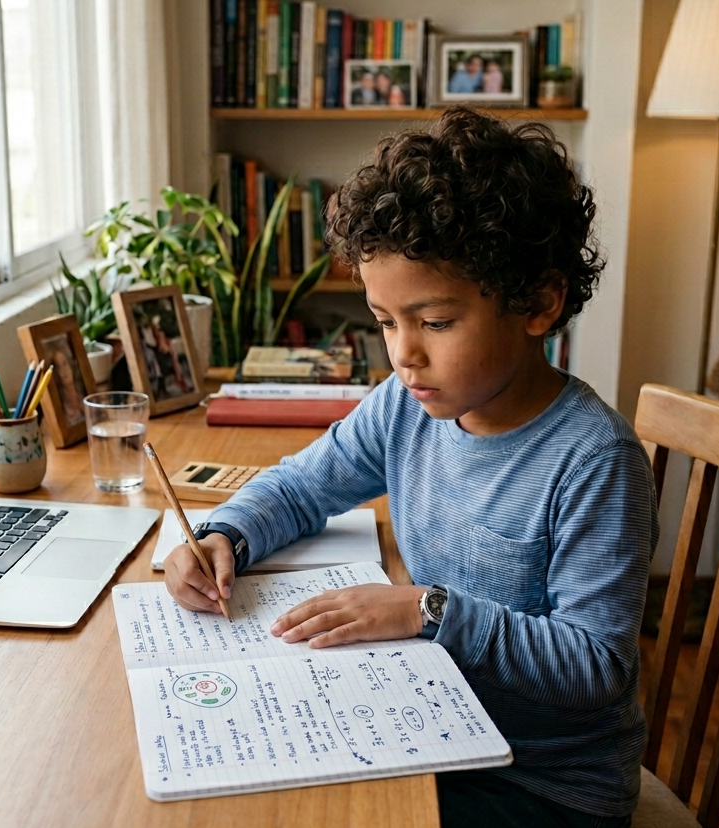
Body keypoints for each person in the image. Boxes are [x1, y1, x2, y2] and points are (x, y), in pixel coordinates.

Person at [163, 107, 656, 828]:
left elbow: (595, 668)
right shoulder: (405, 403)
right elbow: (303, 484)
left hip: (542, 787)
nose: (403, 353)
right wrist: (226, 535)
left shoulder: (594, 460)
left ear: (539, 304)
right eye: (386, 321)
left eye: (435, 322)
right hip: (434, 723)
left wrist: (428, 610)